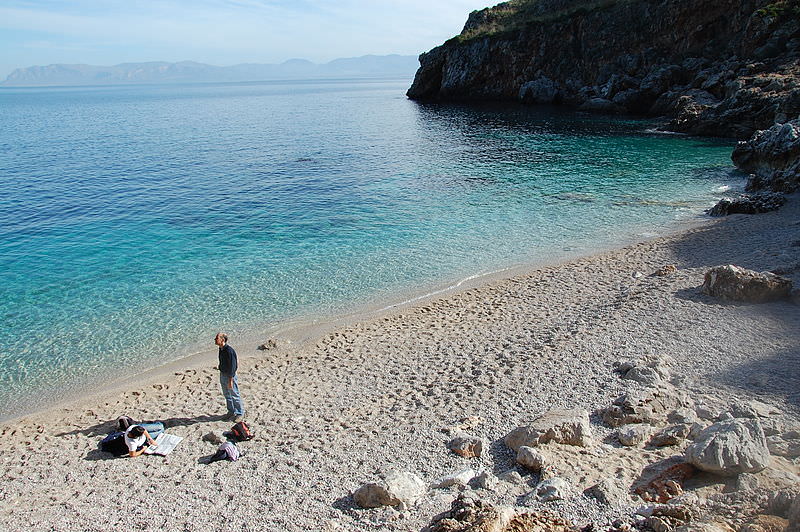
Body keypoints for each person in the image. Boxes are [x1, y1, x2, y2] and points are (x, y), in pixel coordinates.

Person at [215, 332, 244, 422]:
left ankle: (239, 413)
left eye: (216, 338)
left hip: (229, 375)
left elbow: (233, 366)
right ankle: (231, 411)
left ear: (222, 340)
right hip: (223, 374)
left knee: (234, 394)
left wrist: (230, 379)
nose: (215, 340)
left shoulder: (229, 351)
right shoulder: (221, 349)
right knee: (227, 394)